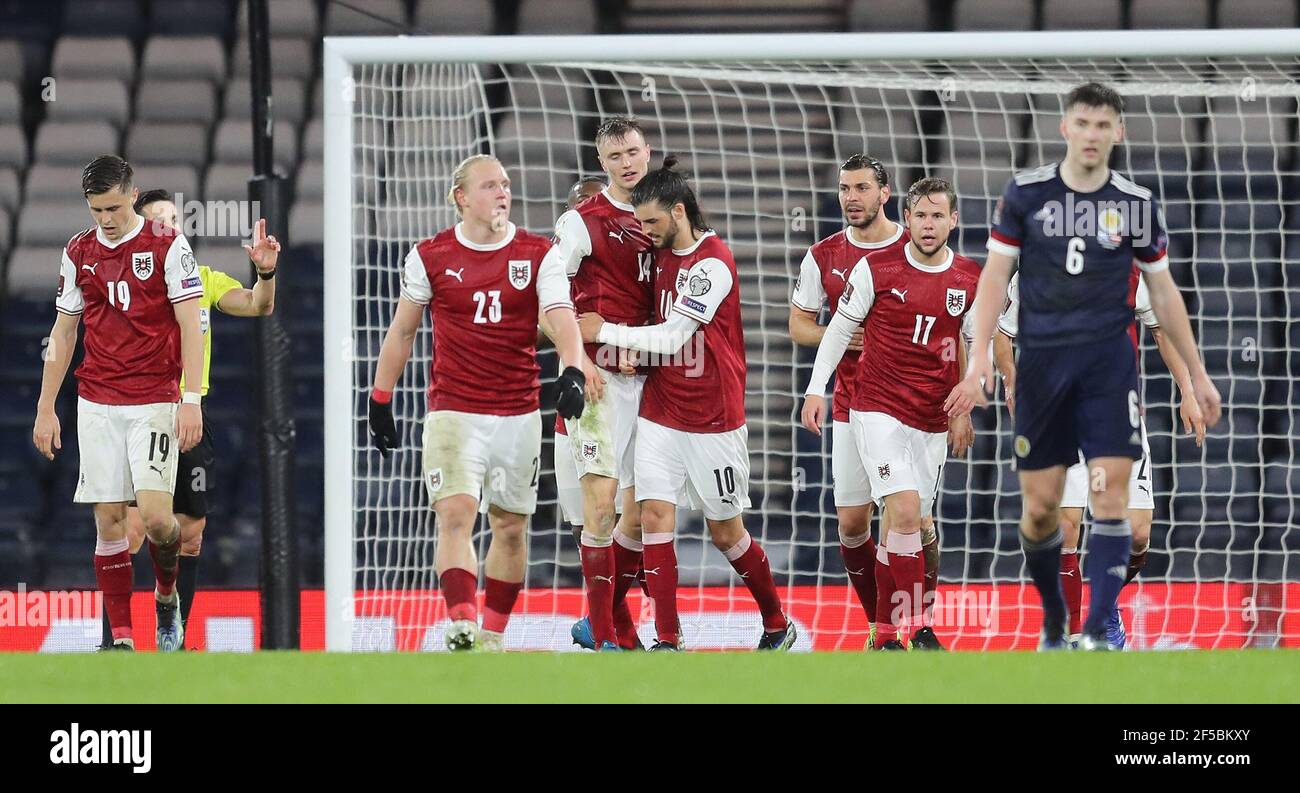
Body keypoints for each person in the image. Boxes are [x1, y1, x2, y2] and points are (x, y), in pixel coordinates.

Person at [947, 82, 1222, 650]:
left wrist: (1195, 380)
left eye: (1104, 125)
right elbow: (995, 285)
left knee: (1130, 524)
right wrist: (979, 365)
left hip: (1109, 380)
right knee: (1048, 516)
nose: (1093, 134)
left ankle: (1100, 623)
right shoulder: (1026, 195)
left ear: (1118, 132)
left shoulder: (1135, 205)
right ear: (1064, 128)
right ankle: (1060, 621)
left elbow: (1164, 300)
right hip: (1047, 381)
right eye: (1083, 123)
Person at [367, 154, 587, 652]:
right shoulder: (431, 255)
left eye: (506, 184)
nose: (503, 193)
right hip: (454, 410)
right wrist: (380, 399)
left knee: (510, 527)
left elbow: (560, 315)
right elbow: (403, 331)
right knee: (456, 513)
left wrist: (572, 368)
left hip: (518, 412)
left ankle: (491, 635)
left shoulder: (537, 253)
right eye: (490, 186)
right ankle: (462, 620)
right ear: (462, 197)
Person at [579, 157, 795, 651]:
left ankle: (777, 622)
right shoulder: (655, 253)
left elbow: (676, 336)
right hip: (660, 409)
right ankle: (668, 640)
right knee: (652, 515)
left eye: (652, 221)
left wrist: (604, 332)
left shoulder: (713, 263)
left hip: (714, 419)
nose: (645, 231)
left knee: (726, 534)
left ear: (679, 212)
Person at [33, 155, 205, 651]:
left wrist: (190, 398)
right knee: (109, 518)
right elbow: (64, 332)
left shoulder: (168, 245)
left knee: (156, 520)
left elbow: (191, 324)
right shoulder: (78, 250)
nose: (105, 220)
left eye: (112, 208)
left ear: (132, 195)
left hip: (154, 398)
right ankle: (123, 641)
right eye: (96, 210)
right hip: (97, 400)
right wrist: (47, 407)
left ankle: (167, 596)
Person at [95, 189, 280, 650]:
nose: (169, 228)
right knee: (132, 528)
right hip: (143, 413)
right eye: (158, 221)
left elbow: (259, 304)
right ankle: (114, 641)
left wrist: (265, 271)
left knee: (191, 535)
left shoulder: (202, 278)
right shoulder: (129, 284)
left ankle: (171, 635)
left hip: (191, 417)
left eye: (174, 220)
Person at [801, 177, 978, 650]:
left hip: (932, 417)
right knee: (900, 511)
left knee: (915, 521)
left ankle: (884, 634)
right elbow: (838, 331)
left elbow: (976, 341)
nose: (928, 224)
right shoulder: (875, 268)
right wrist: (816, 390)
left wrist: (969, 391)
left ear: (953, 220)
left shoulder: (968, 278)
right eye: (920, 215)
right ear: (907, 218)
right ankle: (911, 628)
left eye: (937, 215)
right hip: (875, 408)